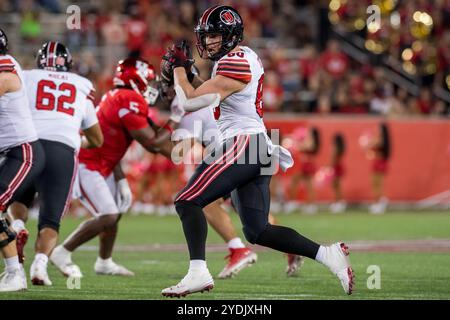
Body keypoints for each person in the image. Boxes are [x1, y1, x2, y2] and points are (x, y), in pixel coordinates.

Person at [159, 5, 354, 297]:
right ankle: (328, 255)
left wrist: (177, 69)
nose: (207, 42)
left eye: (213, 36)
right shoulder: (235, 59)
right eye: (206, 35)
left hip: (244, 143)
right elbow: (211, 95)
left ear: (230, 35)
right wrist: (188, 73)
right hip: (255, 146)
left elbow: (189, 101)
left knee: (188, 200)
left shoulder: (236, 60)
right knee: (258, 231)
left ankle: (198, 272)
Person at [49, 57, 183, 278]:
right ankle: (62, 252)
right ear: (135, 80)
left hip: (102, 164)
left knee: (115, 213)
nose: (150, 87)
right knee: (109, 215)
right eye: (147, 82)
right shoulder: (127, 98)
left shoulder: (120, 96)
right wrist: (176, 117)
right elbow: (152, 143)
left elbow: (114, 143)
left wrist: (120, 178)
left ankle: (104, 262)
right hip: (86, 164)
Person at [8, 41, 103, 286]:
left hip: (30, 145)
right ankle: (40, 267)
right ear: (68, 64)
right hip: (63, 149)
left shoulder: (27, 76)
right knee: (50, 219)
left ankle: (17, 226)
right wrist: (75, 140)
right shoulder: (82, 85)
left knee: (19, 199)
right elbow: (97, 138)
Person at [161, 83, 257, 279]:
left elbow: (180, 152)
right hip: (249, 147)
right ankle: (291, 250)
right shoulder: (207, 92)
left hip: (230, 156)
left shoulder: (185, 103)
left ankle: (238, 249)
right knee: (253, 215)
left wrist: (168, 129)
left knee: (200, 201)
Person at [0, 28, 45, 292]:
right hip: (11, 152)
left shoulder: (4, 68)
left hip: (22, 152)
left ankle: (15, 274)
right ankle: (14, 232)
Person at [364, 123, 391, 214]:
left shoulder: (380, 139)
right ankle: (380, 202)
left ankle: (378, 203)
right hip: (379, 162)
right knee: (377, 184)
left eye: (379, 129)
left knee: (377, 184)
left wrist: (366, 142)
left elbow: (370, 145)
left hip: (379, 163)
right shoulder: (383, 140)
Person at [329, 133, 346, 214]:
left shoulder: (335, 148)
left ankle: (338, 203)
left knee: (336, 186)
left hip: (335, 167)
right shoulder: (341, 148)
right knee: (337, 186)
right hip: (339, 166)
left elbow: (333, 159)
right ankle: (338, 202)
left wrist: (329, 167)